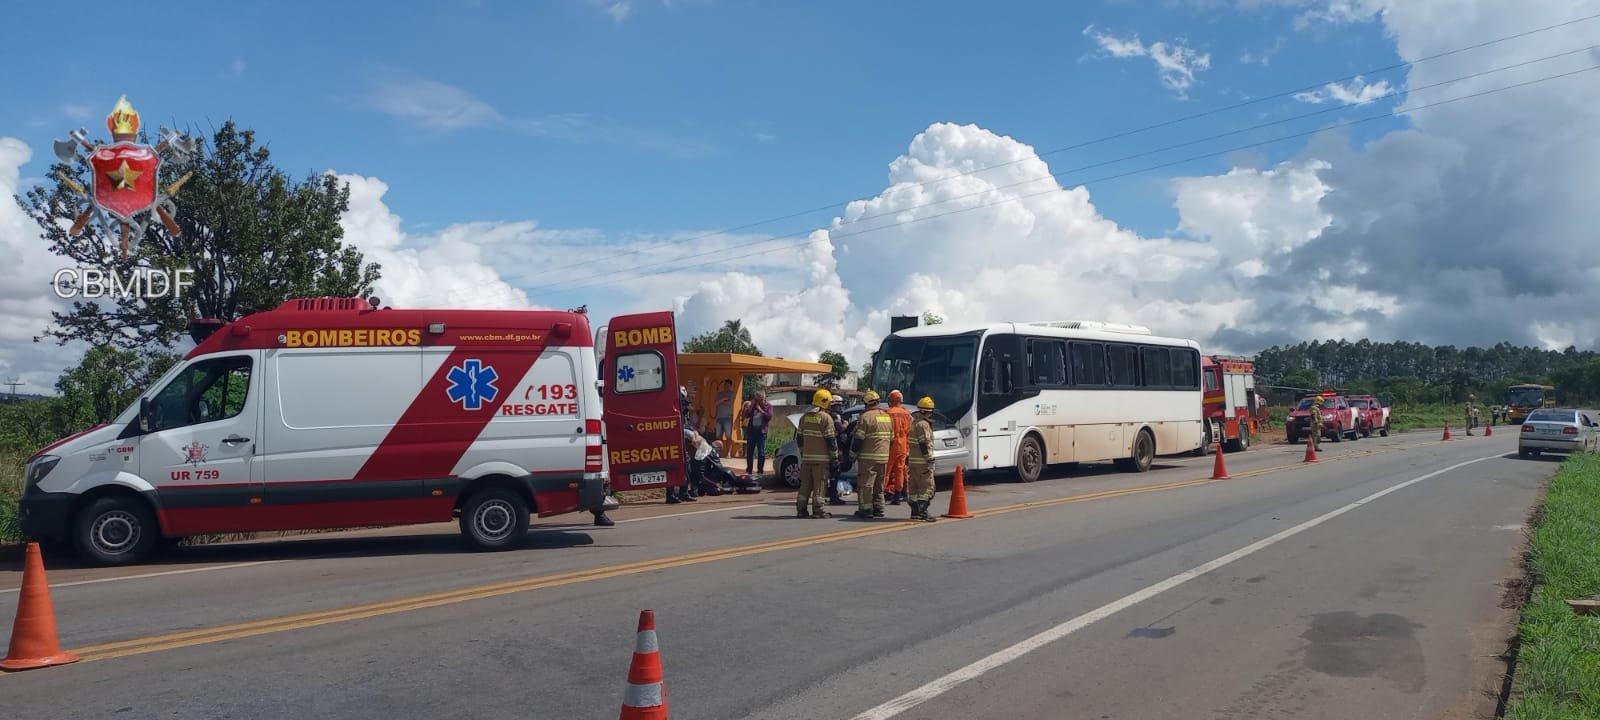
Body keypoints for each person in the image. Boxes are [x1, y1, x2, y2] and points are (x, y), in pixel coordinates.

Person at [851, 390, 894, 519]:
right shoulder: (887, 417)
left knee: (866, 484)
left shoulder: (865, 417)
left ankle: (866, 509)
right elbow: (892, 439)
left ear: (866, 403)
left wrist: (852, 455)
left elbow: (858, 439)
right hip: (883, 457)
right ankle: (879, 508)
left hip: (868, 457)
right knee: (879, 484)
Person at [795, 389, 838, 518]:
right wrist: (835, 457)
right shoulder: (826, 418)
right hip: (821, 460)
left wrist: (803, 452)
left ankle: (801, 509)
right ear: (825, 403)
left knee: (805, 485)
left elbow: (799, 438)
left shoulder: (804, 417)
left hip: (807, 459)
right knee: (819, 485)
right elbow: (831, 440)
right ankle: (818, 510)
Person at [905, 395, 939, 522]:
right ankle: (923, 511)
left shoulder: (914, 423)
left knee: (914, 488)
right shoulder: (924, 425)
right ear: (929, 411)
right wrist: (929, 458)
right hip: (922, 463)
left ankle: (915, 512)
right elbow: (923, 443)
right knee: (927, 488)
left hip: (913, 462)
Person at [884, 390, 913, 505]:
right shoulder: (907, 414)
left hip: (891, 444)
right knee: (900, 470)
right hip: (903, 445)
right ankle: (897, 495)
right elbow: (909, 431)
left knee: (886, 470)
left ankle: (881, 494)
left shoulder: (888, 412)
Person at [739, 391, 774, 475]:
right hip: (752, 431)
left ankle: (760, 471)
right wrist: (751, 405)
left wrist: (760, 410)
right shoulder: (753, 405)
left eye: (760, 400)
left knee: (761, 452)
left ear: (764, 398)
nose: (759, 401)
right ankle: (749, 470)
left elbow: (769, 417)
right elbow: (746, 415)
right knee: (750, 451)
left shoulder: (769, 406)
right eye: (757, 399)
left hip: (761, 432)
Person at [827, 396, 849, 505]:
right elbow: (840, 429)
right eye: (839, 405)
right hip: (836, 447)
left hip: (832, 447)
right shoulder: (835, 416)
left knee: (832, 473)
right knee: (835, 473)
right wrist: (845, 425)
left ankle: (830, 494)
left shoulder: (829, 415)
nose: (840, 407)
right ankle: (833, 496)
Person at [715, 380, 736, 445]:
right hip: (719, 416)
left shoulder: (732, 393)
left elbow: (729, 403)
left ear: (730, 386)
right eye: (725, 385)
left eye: (727, 385)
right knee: (718, 435)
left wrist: (720, 401)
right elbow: (716, 403)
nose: (726, 386)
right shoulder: (720, 394)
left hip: (728, 417)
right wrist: (723, 399)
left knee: (728, 436)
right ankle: (718, 452)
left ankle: (729, 453)